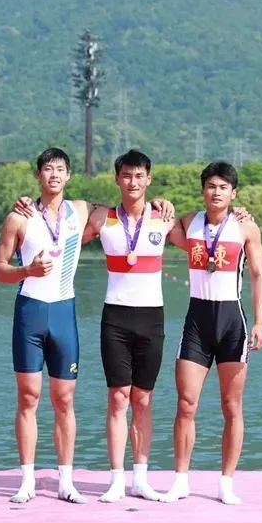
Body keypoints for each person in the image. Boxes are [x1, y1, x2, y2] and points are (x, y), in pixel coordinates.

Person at [81, 149, 186, 502]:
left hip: (151, 318)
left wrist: (239, 215)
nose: (133, 182)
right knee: (117, 398)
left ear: (149, 179)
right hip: (115, 318)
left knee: (142, 398)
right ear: (117, 179)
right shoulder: (102, 217)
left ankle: (140, 478)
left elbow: (200, 232)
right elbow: (64, 229)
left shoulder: (163, 218)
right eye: (126, 175)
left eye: (139, 176)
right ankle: (116, 479)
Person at [160, 161, 262, 505]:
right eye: (211, 186)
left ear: (233, 193)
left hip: (232, 322)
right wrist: (161, 203)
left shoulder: (245, 227)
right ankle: (180, 481)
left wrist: (260, 322)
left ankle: (226, 483)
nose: (216, 192)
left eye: (223, 187)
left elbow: (258, 275)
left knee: (231, 405)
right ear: (203, 190)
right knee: (186, 403)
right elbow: (162, 219)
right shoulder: (190, 222)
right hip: (197, 322)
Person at [0, 148, 91, 504]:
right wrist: (27, 271)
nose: (54, 174)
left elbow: (127, 208)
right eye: (47, 169)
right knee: (28, 397)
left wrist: (160, 204)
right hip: (30, 314)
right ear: (38, 175)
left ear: (69, 175)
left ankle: (66, 482)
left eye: (60, 169)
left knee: (64, 399)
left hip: (64, 313)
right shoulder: (19, 217)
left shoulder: (81, 211)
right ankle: (27, 482)